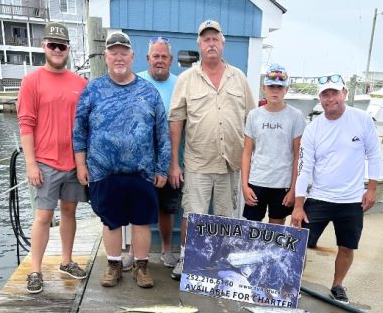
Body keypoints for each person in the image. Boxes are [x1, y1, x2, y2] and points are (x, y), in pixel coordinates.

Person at [73, 31, 170, 289]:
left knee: (141, 221)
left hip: (141, 172)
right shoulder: (93, 89)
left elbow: (162, 132)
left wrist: (162, 167)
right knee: (111, 221)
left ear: (132, 56)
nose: (119, 57)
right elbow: (79, 129)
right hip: (104, 171)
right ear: (105, 56)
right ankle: (113, 265)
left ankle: (141, 267)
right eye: (113, 52)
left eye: (123, 52)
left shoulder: (148, 91)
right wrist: (81, 164)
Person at [168, 19, 255, 280]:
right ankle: (187, 259)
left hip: (231, 163)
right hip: (197, 163)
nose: (211, 43)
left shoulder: (238, 77)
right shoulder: (186, 79)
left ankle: (219, 262)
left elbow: (252, 120)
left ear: (222, 43)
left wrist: (251, 163)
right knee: (193, 215)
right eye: (206, 39)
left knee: (225, 217)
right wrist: (174, 162)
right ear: (200, 44)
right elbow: (176, 121)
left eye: (215, 38)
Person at [291, 73, 382, 303]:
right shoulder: (313, 128)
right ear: (320, 99)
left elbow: (374, 154)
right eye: (325, 94)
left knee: (346, 246)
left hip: (351, 201)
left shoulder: (362, 120)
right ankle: (292, 282)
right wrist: (298, 206)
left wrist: (372, 188)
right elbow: (304, 168)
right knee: (299, 243)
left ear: (345, 94)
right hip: (319, 197)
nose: (330, 98)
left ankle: (337, 285)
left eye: (334, 93)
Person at [18, 21, 88, 294]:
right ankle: (35, 270)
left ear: (68, 49)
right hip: (45, 163)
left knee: (69, 212)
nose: (57, 50)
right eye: (52, 45)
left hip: (73, 162)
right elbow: (25, 124)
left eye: (62, 46)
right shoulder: (31, 81)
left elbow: (85, 124)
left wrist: (83, 162)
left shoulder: (81, 83)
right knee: (43, 215)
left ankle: (66, 261)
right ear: (43, 47)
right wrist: (31, 163)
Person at [123, 36, 181, 271]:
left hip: (169, 161)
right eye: (155, 56)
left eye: (163, 56)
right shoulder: (135, 83)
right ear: (148, 58)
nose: (159, 60)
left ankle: (167, 250)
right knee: (135, 207)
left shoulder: (180, 84)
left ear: (171, 60)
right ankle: (132, 253)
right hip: (138, 162)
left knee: (166, 209)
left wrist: (174, 162)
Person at [241, 64, 306, 224]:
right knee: (251, 231)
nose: (275, 91)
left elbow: (299, 156)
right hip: (257, 181)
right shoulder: (254, 115)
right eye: (271, 87)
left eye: (279, 87)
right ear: (264, 88)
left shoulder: (296, 116)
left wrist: (293, 189)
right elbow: (247, 153)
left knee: (275, 233)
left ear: (286, 90)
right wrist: (244, 185)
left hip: (282, 184)